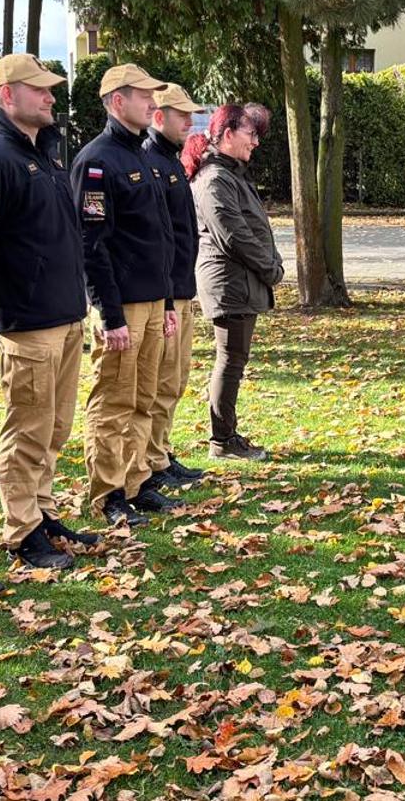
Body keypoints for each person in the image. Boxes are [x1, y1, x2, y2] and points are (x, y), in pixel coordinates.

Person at [0, 53, 90, 570]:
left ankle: (43, 510)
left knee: (55, 426)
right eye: (40, 90)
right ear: (8, 95)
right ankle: (21, 527)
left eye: (51, 90)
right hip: (28, 323)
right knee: (27, 429)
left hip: (65, 315)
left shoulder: (46, 154)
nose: (51, 97)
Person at [74, 64, 180, 526]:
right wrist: (110, 313)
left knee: (143, 397)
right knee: (113, 399)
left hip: (154, 299)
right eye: (143, 97)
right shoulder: (97, 160)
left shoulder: (140, 155)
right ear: (118, 101)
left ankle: (136, 481)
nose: (152, 105)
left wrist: (170, 301)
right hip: (124, 305)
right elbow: (91, 244)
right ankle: (107, 491)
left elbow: (158, 238)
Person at [187, 104, 281, 460]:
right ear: (228, 134)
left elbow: (251, 226)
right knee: (230, 360)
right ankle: (222, 440)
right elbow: (234, 235)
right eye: (250, 134)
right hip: (230, 283)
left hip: (239, 280)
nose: (255, 142)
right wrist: (270, 268)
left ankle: (226, 436)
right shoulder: (215, 178)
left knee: (234, 359)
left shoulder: (230, 173)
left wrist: (273, 261)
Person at [141, 83, 209, 494]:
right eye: (181, 115)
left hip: (181, 289)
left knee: (174, 380)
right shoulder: (150, 160)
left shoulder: (169, 161)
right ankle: (150, 459)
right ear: (158, 116)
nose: (189, 121)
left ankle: (161, 452)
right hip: (165, 292)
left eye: (191, 114)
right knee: (158, 382)